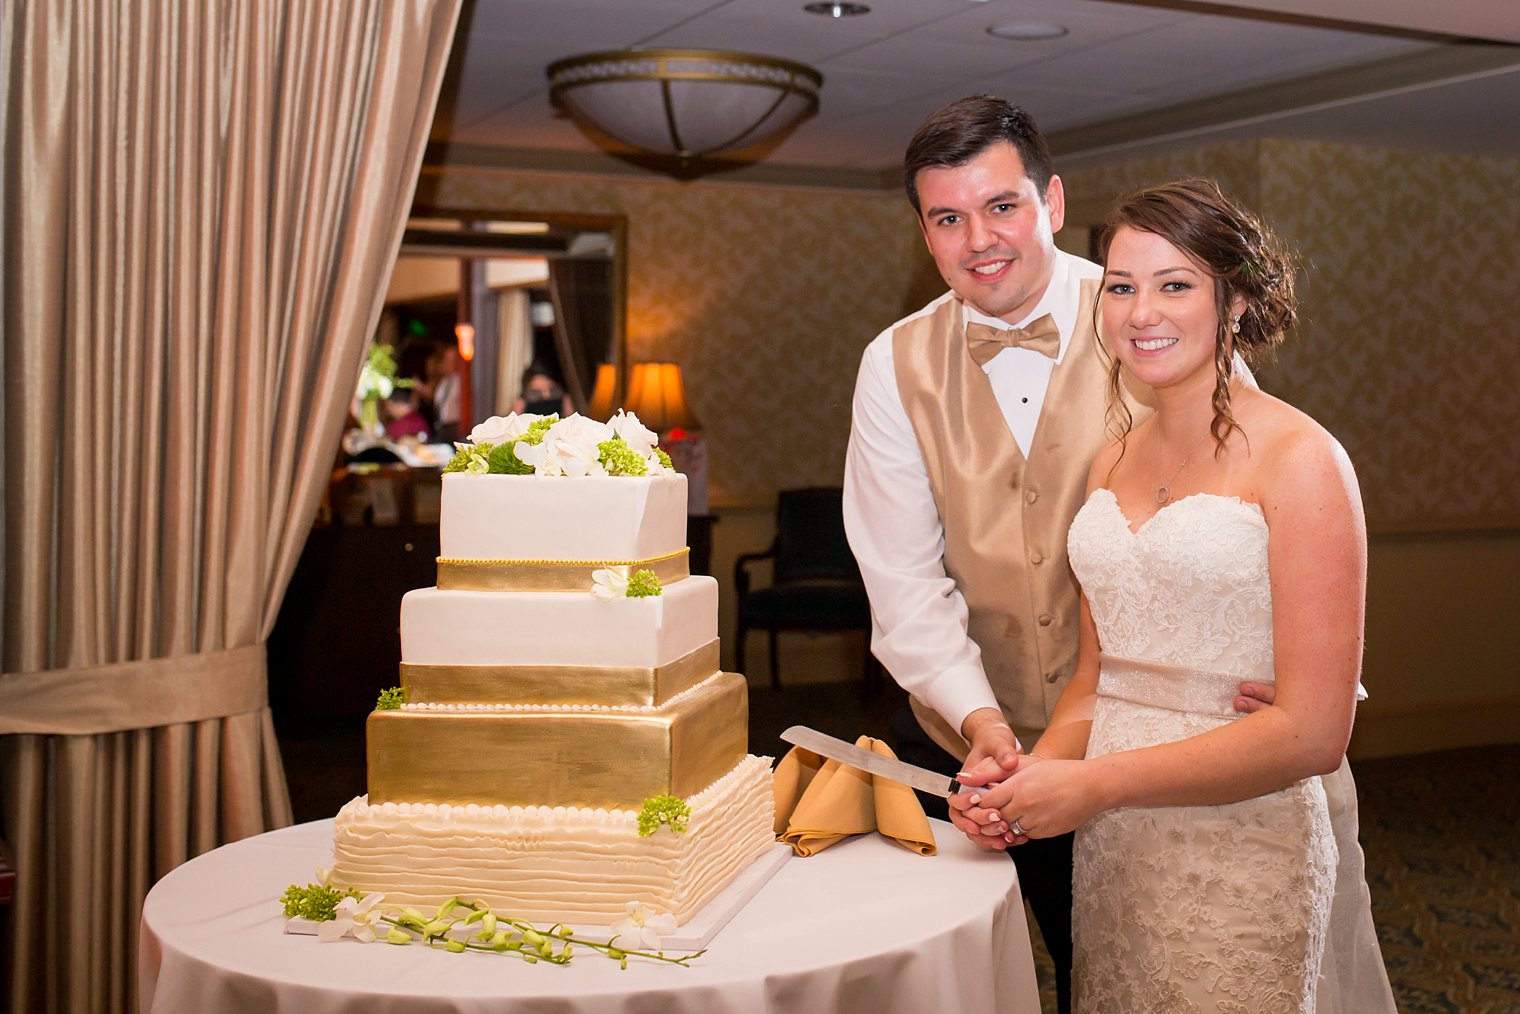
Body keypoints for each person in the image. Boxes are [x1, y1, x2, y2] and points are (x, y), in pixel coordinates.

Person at [841, 96, 1274, 1014]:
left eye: (1001, 206)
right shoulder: (893, 363)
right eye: (947, 218)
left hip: (1173, 732)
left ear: (1053, 200)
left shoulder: (1152, 315)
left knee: (1185, 968)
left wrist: (1273, 657)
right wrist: (981, 724)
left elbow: (1256, 505)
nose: (978, 240)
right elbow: (903, 581)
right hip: (998, 754)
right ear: (924, 233)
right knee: (1084, 975)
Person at [957, 177, 1395, 1011]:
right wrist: (1027, 783)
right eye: (1121, 286)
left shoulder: (1301, 459)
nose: (1139, 312)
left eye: (1175, 285)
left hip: (1245, 846)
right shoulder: (1109, 462)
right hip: (1117, 849)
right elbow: (1095, 681)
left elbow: (1313, 732)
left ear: (1235, 302)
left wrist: (1094, 786)